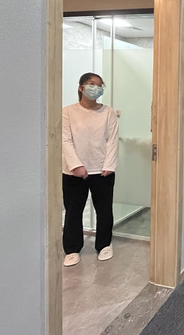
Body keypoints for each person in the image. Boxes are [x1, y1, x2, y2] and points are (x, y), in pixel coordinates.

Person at [62, 72, 119, 267]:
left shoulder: (108, 112)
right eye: (91, 84)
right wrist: (76, 165)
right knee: (73, 211)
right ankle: (72, 249)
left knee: (104, 210)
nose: (96, 87)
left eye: (100, 85)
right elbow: (65, 140)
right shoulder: (67, 112)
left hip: (102, 171)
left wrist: (109, 165)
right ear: (81, 87)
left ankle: (104, 244)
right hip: (73, 172)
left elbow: (112, 141)